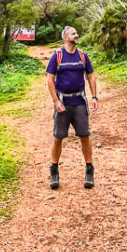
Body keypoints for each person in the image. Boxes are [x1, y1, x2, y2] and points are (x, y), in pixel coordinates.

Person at [46, 25, 98, 190]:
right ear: (65, 38)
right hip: (63, 103)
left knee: (84, 136)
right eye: (73, 33)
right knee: (58, 137)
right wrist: (56, 101)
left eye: (76, 33)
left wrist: (94, 97)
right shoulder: (57, 56)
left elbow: (91, 76)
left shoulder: (82, 55)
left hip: (79, 103)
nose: (77, 35)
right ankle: (54, 171)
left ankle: (89, 170)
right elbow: (50, 79)